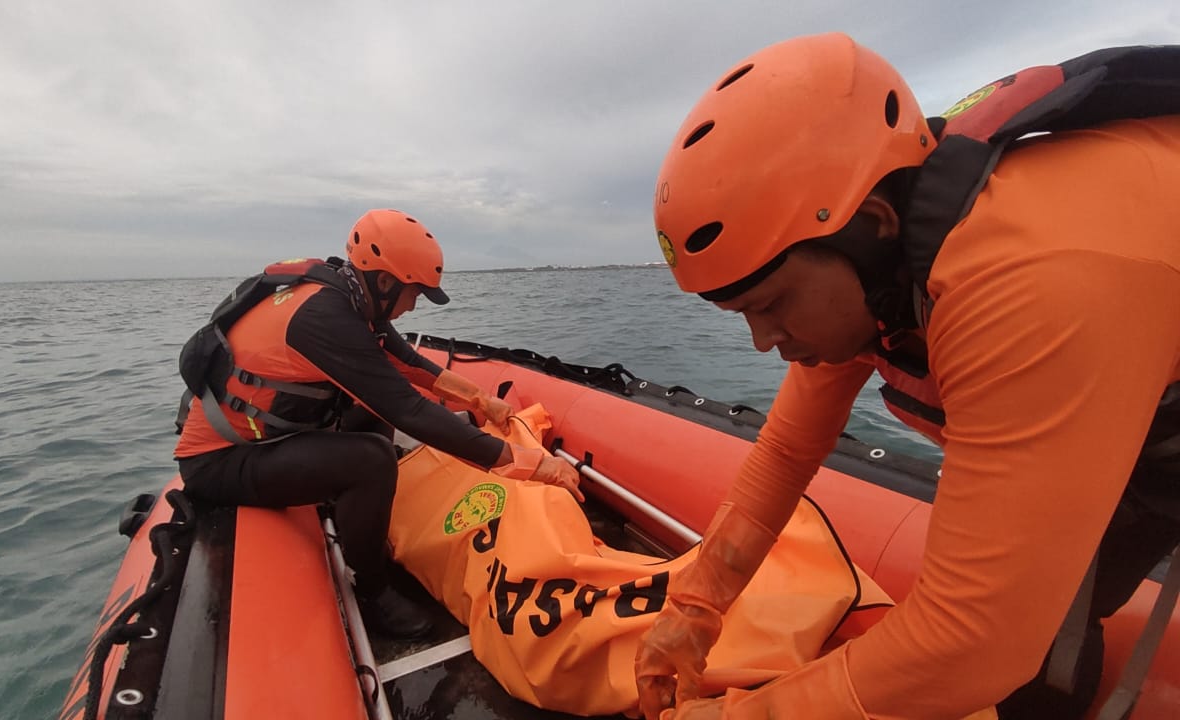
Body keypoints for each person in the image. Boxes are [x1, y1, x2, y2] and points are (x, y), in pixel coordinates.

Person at [634, 33, 1180, 719]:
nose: (764, 342)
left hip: (1140, 381)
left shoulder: (1030, 279)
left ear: (873, 221)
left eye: (771, 305)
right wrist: (694, 607)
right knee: (1044, 631)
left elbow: (973, 643)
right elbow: (785, 452)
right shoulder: (880, 271)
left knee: (1023, 648)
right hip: (1125, 399)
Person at [173, 208, 582, 639]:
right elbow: (410, 411)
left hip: (272, 439)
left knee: (370, 415)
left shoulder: (348, 298)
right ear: (385, 282)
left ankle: (358, 518)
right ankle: (372, 590)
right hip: (219, 462)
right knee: (372, 458)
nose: (414, 305)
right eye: (415, 294)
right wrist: (531, 464)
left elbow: (409, 364)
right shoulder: (324, 319)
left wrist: (482, 400)